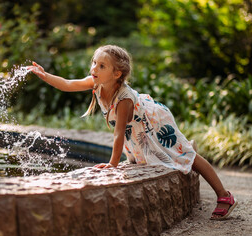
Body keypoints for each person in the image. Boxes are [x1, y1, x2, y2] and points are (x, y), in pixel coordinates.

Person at [27, 45, 237, 220]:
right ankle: (186, 153)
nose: (94, 68)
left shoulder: (124, 99)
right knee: (152, 158)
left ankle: (224, 195)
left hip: (155, 121)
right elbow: (68, 84)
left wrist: (112, 164)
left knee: (186, 156)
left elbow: (119, 133)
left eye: (101, 65)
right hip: (138, 127)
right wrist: (45, 75)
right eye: (94, 63)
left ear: (116, 74)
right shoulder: (97, 81)